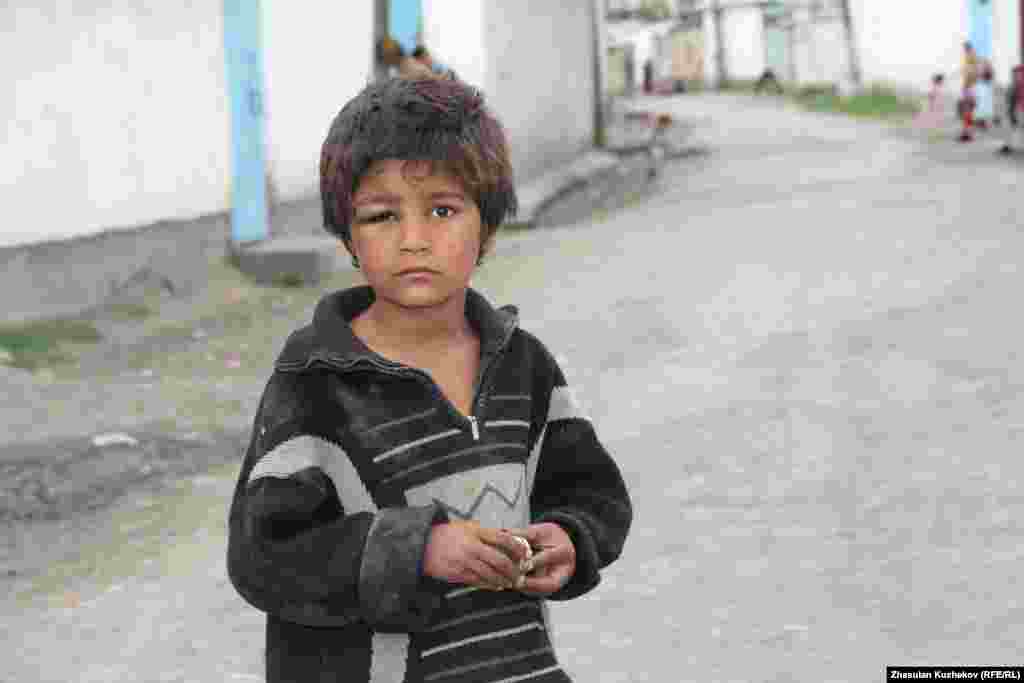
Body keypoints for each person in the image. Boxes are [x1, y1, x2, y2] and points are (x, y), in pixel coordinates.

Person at [226, 75, 633, 683]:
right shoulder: (314, 383)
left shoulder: (525, 367)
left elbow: (592, 493)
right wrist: (416, 549)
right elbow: (264, 556)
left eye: (443, 210)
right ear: (348, 238)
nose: (414, 240)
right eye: (382, 216)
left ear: (487, 230)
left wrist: (570, 540)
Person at [999, 65, 1024, 155]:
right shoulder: (1012, 88)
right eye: (1016, 75)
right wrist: (1010, 114)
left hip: (1020, 112)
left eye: (1020, 74)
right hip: (1018, 112)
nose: (1018, 77)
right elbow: (1009, 103)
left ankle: (1008, 145)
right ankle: (1007, 145)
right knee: (1007, 124)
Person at [957, 42, 980, 142]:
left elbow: (971, 73)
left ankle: (967, 134)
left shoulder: (971, 58)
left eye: (965, 48)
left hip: (970, 87)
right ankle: (967, 133)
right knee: (968, 111)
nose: (964, 50)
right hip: (970, 87)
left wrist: (966, 85)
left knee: (967, 110)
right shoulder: (970, 58)